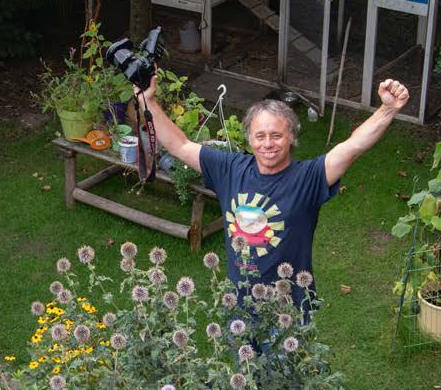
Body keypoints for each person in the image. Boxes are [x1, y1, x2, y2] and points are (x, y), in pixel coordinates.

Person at [140, 77, 411, 319]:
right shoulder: (230, 169)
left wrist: (387, 109)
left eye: (276, 135)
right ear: (249, 139)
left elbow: (353, 147)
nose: (267, 143)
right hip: (240, 304)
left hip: (288, 309)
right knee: (244, 374)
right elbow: (180, 145)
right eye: (260, 136)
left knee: (284, 375)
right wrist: (147, 99)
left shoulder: (308, 178)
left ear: (291, 137)